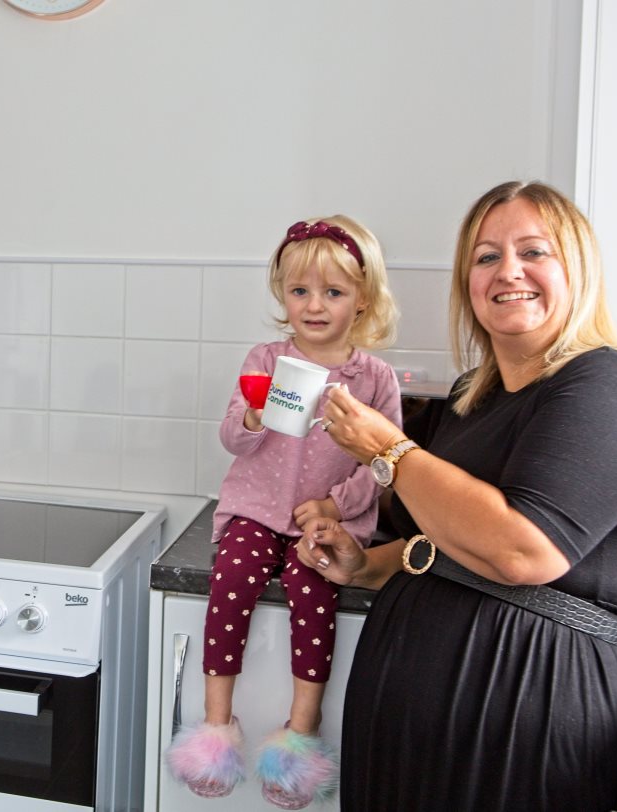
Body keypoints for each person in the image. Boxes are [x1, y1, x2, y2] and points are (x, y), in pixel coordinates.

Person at [301, 181, 617, 811]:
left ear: (576, 269)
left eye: (534, 252)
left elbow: (523, 552)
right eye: (486, 257)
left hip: (524, 702)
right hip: (412, 707)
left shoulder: (610, 387)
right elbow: (450, 535)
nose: (509, 272)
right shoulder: (478, 393)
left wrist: (388, 451)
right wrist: (368, 565)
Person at [165, 216, 402, 809]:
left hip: (327, 523)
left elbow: (386, 464)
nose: (314, 305)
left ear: (363, 299)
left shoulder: (373, 378)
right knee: (233, 583)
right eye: (300, 292)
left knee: (313, 590)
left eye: (333, 292)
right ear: (282, 296)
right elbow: (232, 439)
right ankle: (216, 728)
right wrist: (250, 416)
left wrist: (334, 507)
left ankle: (301, 733)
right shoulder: (267, 358)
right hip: (254, 509)